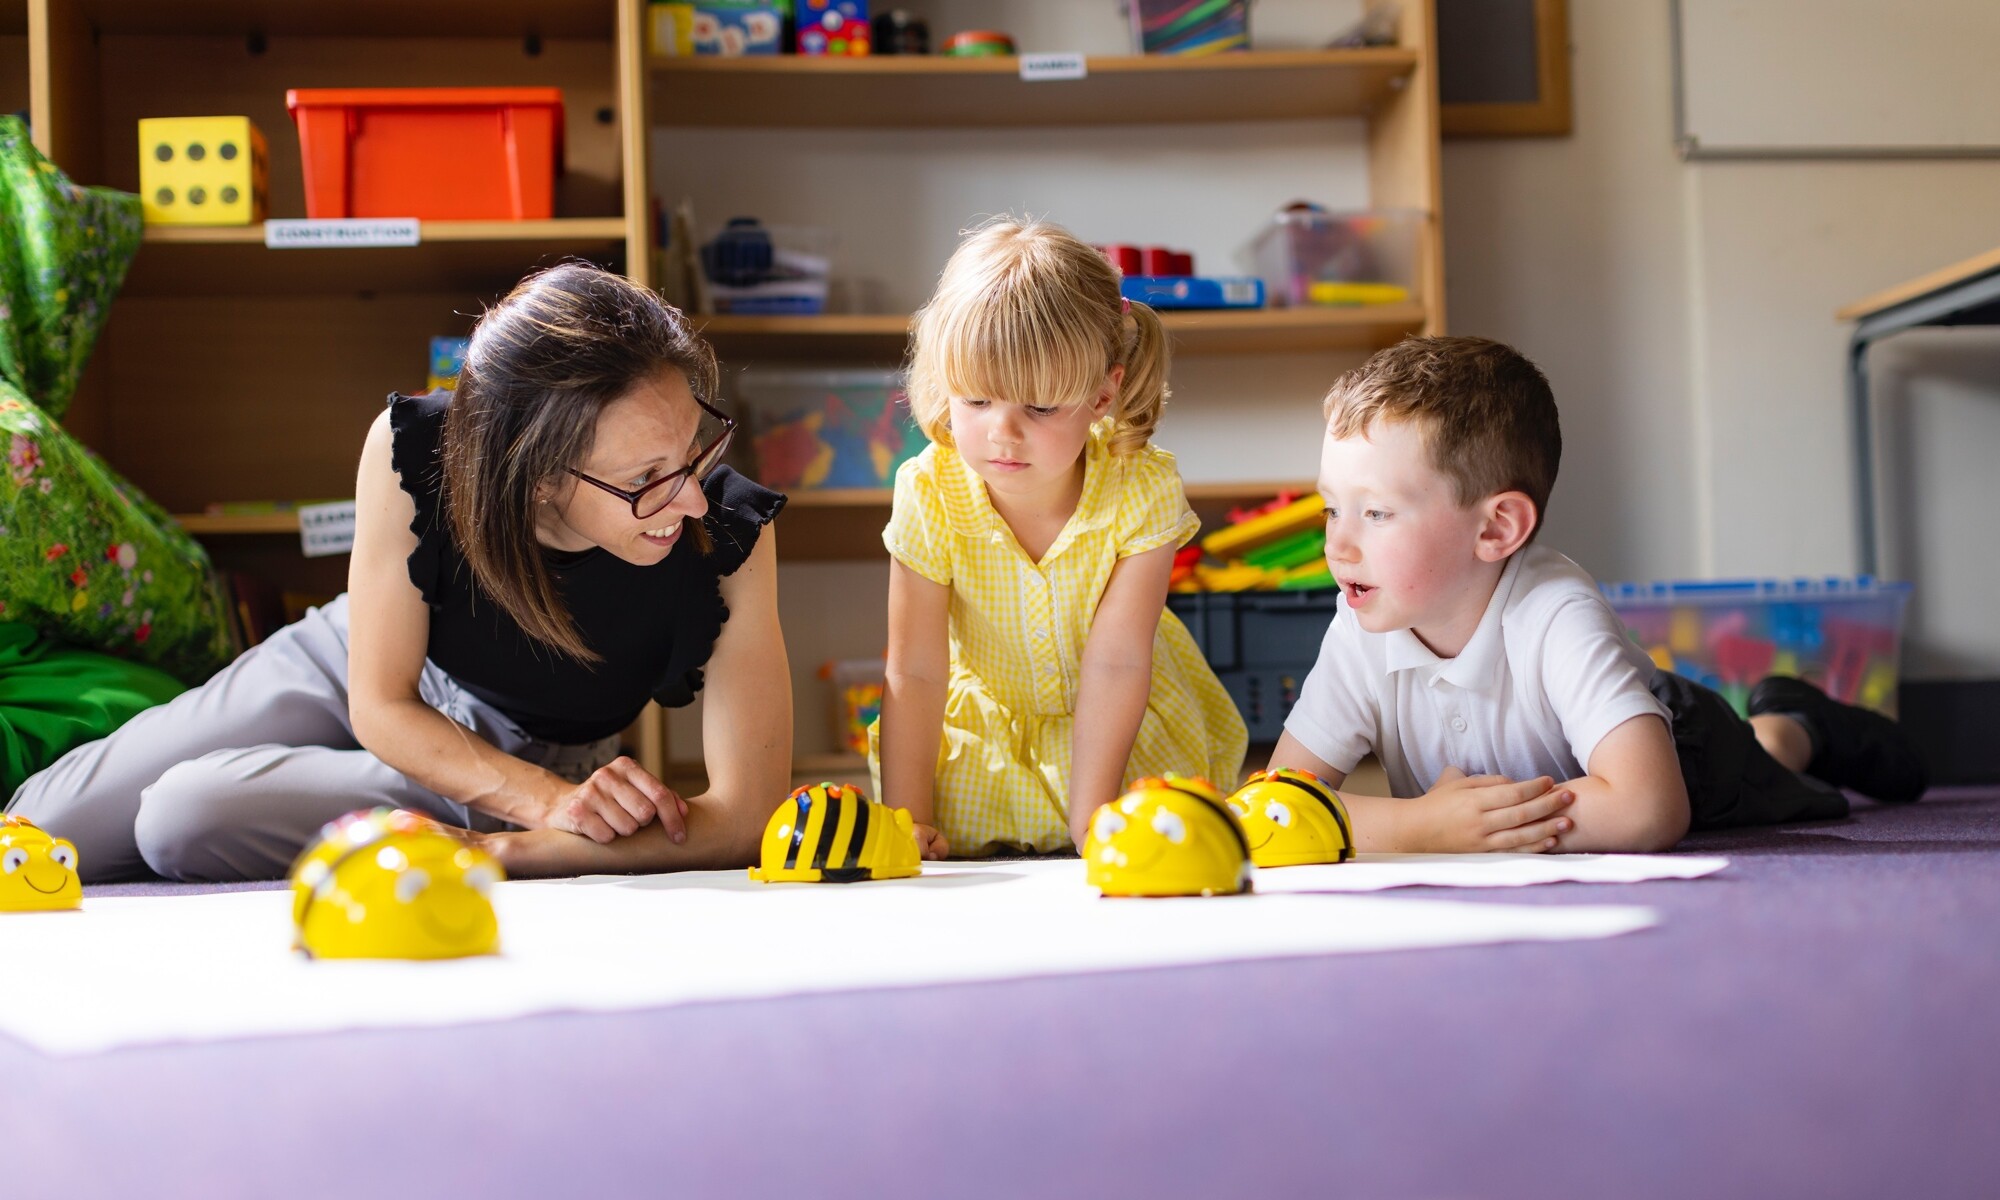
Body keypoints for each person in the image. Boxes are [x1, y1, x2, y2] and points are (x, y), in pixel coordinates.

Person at [6, 263, 794, 881]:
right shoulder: (410, 447)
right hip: (345, 661)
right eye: (644, 477)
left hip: (514, 742)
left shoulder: (727, 537)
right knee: (38, 827)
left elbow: (745, 816)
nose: (689, 497)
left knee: (180, 816)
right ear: (536, 474)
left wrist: (516, 846)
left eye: (696, 447)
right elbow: (380, 700)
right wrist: (547, 807)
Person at [1270, 335, 1929, 853]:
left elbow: (1648, 808)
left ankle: (1795, 720)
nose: (1337, 545)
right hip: (1597, 750)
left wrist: (1441, 829)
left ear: (1497, 528)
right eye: (1331, 509)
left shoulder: (1555, 612)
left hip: (1690, 752)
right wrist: (1420, 827)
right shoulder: (1360, 623)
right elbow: (1271, 803)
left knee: (1771, 768)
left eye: (1376, 514)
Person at [874, 218, 1247, 859]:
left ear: (1103, 394)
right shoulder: (929, 490)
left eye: (1040, 408)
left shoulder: (1142, 487)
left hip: (1120, 727)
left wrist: (1092, 820)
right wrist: (906, 819)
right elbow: (915, 668)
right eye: (977, 402)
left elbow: (1118, 662)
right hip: (987, 741)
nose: (1003, 433)